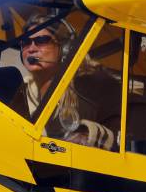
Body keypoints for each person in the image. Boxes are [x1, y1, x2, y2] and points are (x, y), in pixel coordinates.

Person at [19, 14, 116, 150]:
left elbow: (117, 137)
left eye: (41, 40)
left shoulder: (89, 88)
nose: (31, 48)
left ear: (65, 48)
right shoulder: (19, 91)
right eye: (25, 42)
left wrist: (86, 133)